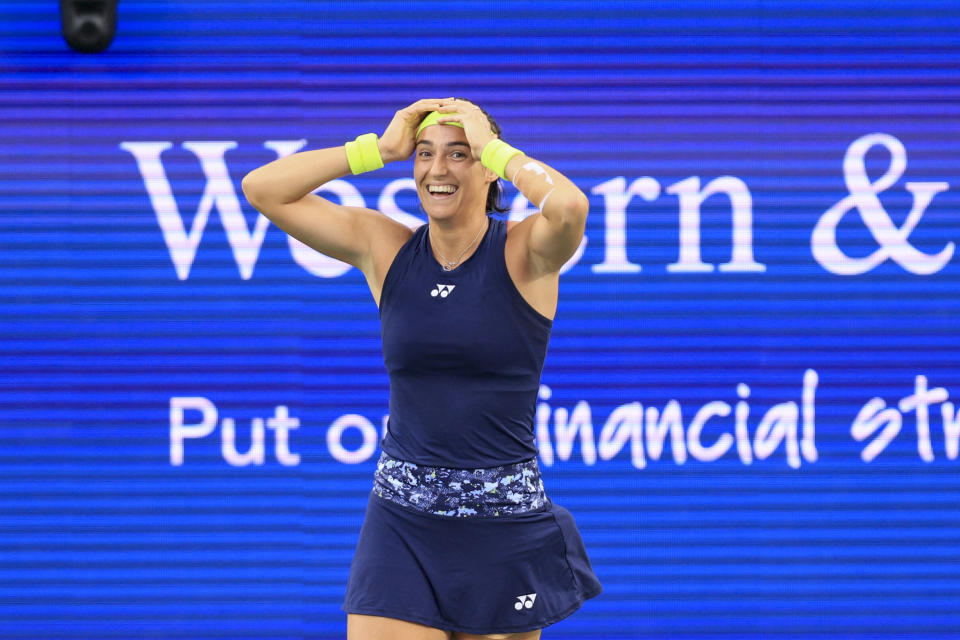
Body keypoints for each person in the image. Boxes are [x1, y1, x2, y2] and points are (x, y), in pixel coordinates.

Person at [242, 98, 602, 640]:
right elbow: (263, 189)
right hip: (401, 525)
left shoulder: (527, 252)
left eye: (460, 155)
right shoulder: (384, 247)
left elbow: (570, 208)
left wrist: (496, 149)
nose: (438, 170)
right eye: (425, 154)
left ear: (488, 172)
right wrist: (376, 150)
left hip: (502, 529)